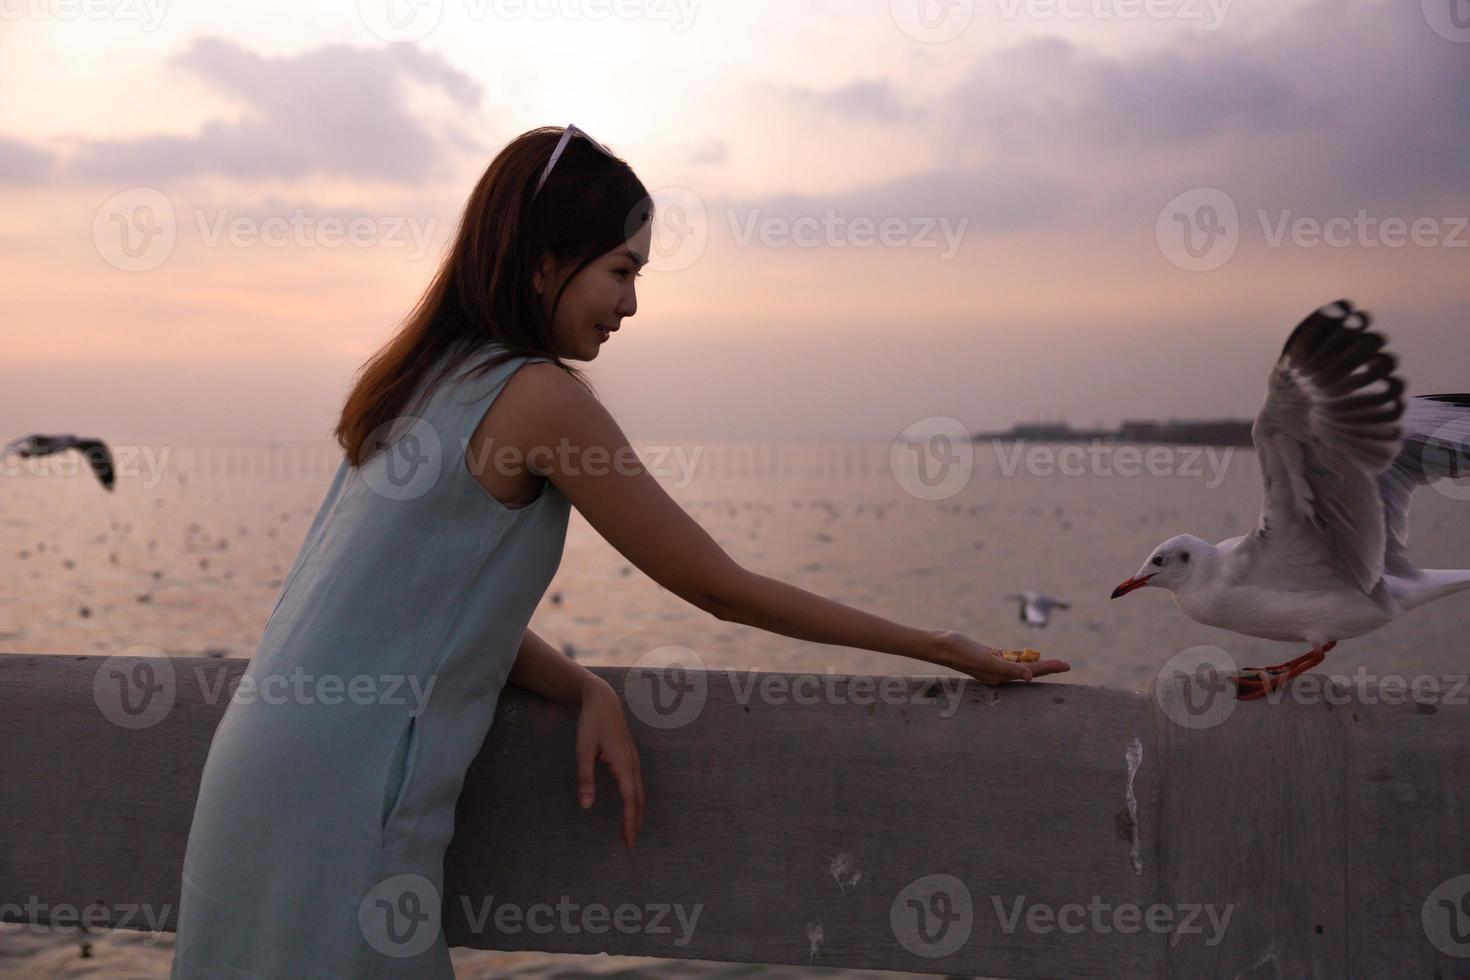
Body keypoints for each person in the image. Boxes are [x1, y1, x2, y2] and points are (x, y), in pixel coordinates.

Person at [169, 124, 1070, 978]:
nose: (632, 304)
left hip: (259, 774)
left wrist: (582, 684)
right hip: (345, 798)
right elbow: (718, 586)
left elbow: (423, 612)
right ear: (546, 263)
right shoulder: (536, 397)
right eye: (621, 271)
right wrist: (943, 647)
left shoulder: (420, 379)